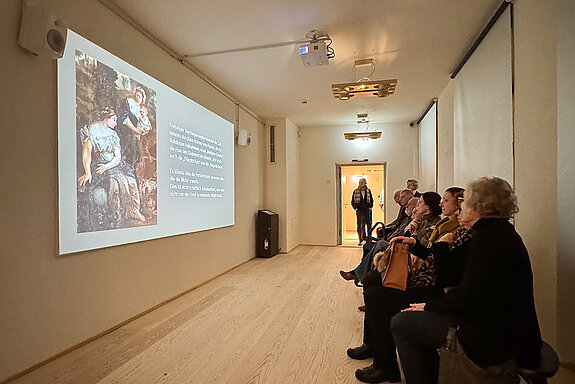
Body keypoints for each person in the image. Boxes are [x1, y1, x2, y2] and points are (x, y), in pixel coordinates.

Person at [391, 177, 542, 384]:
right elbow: (458, 280)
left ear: (479, 206)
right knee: (407, 318)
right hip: (499, 326)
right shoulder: (498, 232)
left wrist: (428, 306)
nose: (461, 206)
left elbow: (465, 296)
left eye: (466, 201)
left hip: (491, 337)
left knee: (402, 322)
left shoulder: (488, 239)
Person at [348, 189, 473, 384]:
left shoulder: (457, 231)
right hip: (423, 278)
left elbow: (442, 270)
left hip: (427, 285)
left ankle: (384, 365)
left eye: (446, 201)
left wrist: (417, 249)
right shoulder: (446, 225)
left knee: (376, 295)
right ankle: (372, 345)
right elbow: (431, 253)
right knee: (373, 282)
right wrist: (413, 242)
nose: (442, 204)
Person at [78, 107, 146, 224]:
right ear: (106, 118)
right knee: (120, 181)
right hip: (100, 165)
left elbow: (117, 156)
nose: (116, 123)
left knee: (131, 181)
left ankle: (133, 210)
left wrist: (108, 166)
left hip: (114, 164)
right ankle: (116, 214)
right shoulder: (93, 129)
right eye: (114, 119)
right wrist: (87, 172)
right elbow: (87, 151)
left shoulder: (113, 134)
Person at [119, 85, 147, 169]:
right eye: (136, 95)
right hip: (125, 130)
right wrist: (135, 129)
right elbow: (123, 117)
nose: (137, 97)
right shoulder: (129, 102)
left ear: (142, 99)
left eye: (139, 96)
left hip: (136, 134)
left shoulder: (141, 110)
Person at [351, 178, 374, 245]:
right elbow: (352, 201)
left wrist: (370, 207)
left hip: (367, 210)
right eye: (360, 182)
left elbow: (371, 200)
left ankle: (369, 239)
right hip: (359, 210)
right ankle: (361, 239)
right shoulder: (355, 191)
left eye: (362, 182)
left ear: (365, 183)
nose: (360, 183)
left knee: (369, 224)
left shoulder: (368, 191)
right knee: (360, 225)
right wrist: (355, 208)